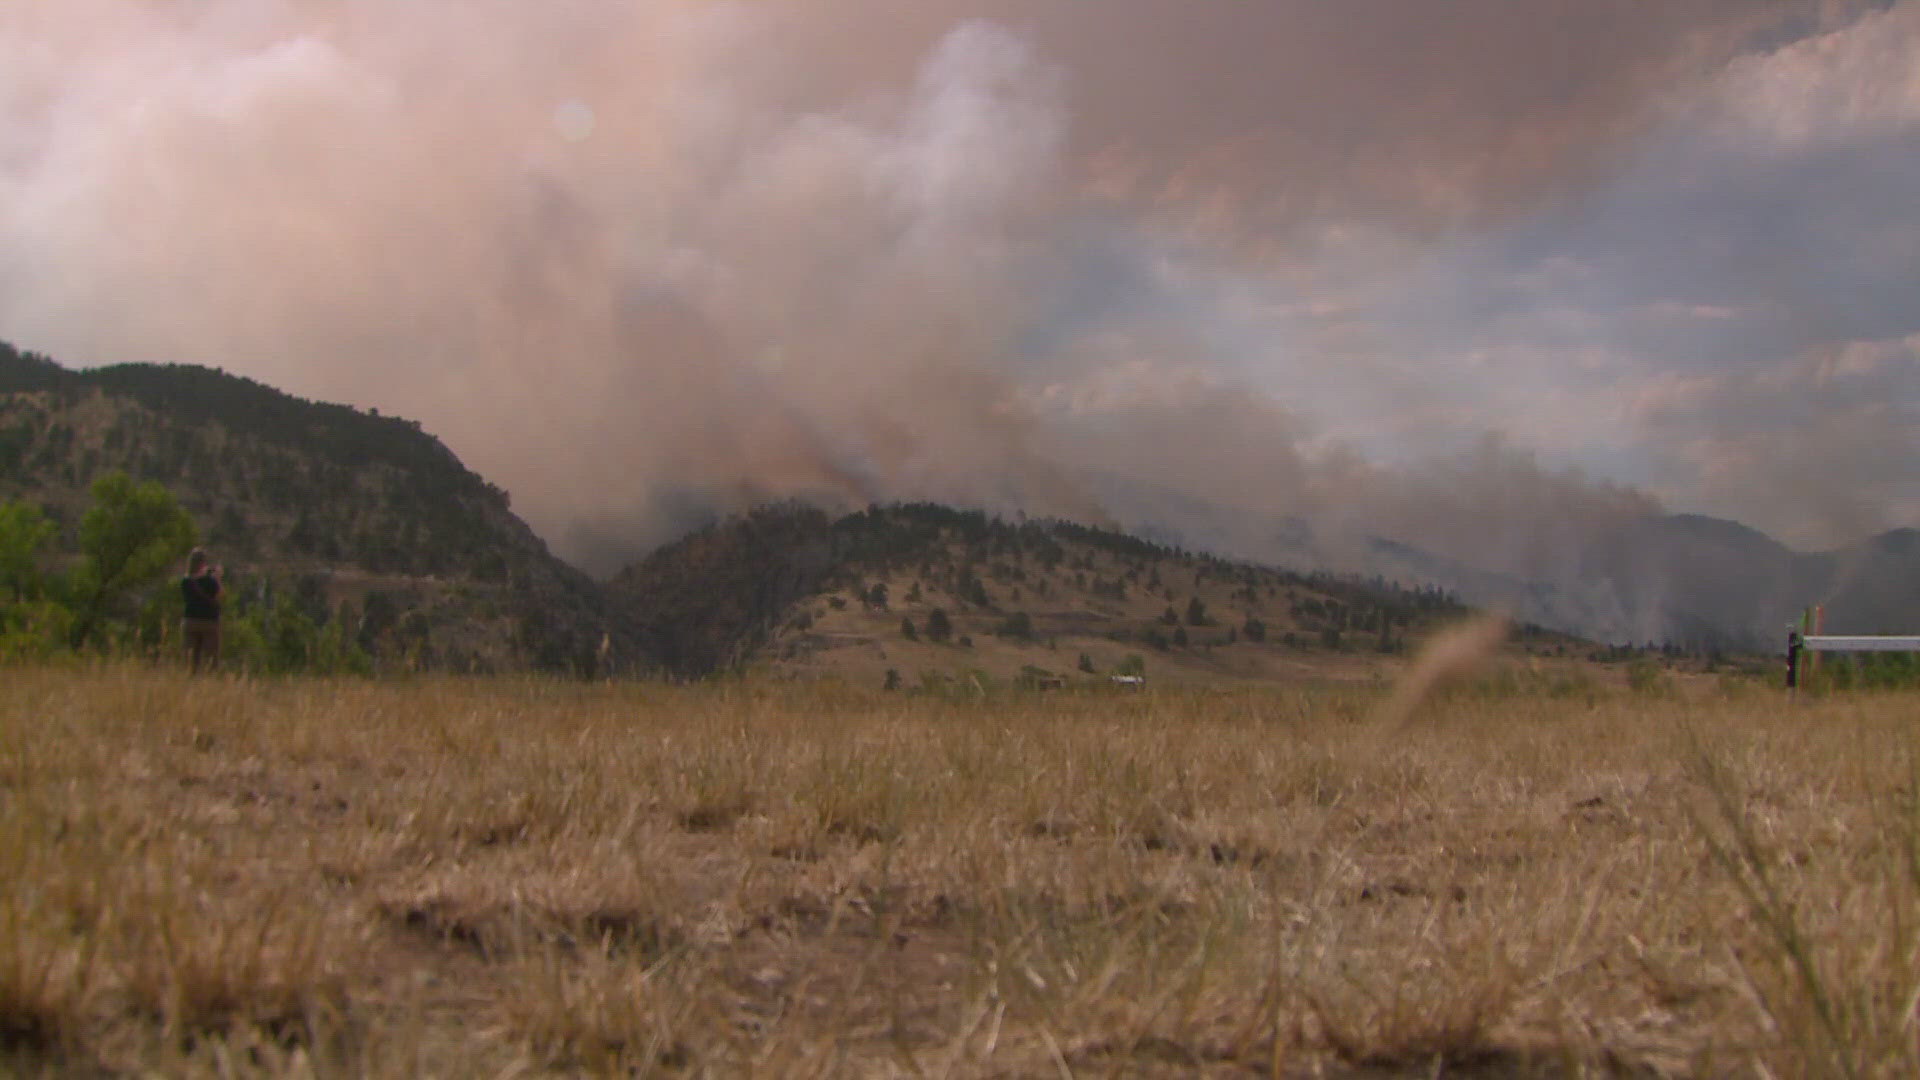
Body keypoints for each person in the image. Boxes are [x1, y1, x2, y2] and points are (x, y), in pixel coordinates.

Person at [181, 549, 222, 674]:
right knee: (210, 661)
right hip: (208, 622)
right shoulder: (210, 582)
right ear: (203, 563)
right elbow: (220, 596)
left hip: (190, 621)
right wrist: (217, 578)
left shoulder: (186, 581)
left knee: (190, 661)